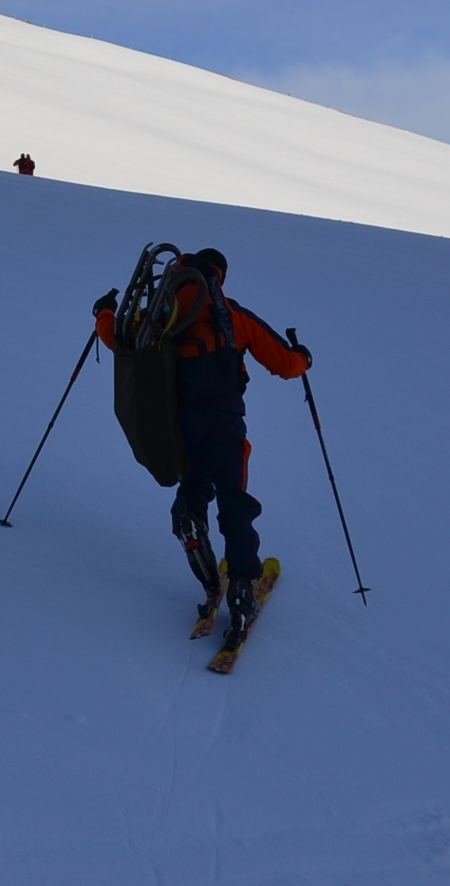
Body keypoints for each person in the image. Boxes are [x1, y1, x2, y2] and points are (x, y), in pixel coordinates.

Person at [93, 248, 310, 631]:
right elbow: (285, 364)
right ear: (219, 276)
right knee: (234, 501)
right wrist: (303, 358)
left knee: (194, 483)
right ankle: (242, 593)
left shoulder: (162, 313)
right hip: (225, 423)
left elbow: (121, 340)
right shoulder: (233, 316)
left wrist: (103, 313)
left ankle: (192, 521)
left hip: (179, 424)